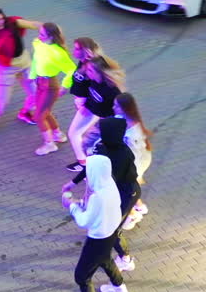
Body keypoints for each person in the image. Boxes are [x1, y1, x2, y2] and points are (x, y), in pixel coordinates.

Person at [62, 154, 128, 292]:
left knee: (82, 276)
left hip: (97, 239)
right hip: (110, 234)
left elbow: (84, 221)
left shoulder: (97, 197)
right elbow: (98, 210)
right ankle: (119, 287)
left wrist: (72, 206)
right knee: (106, 260)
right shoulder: (110, 185)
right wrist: (80, 204)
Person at [70, 117, 140, 270]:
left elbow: (108, 179)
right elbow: (91, 165)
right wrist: (73, 182)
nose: (99, 133)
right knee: (109, 225)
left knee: (113, 229)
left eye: (102, 131)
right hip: (116, 192)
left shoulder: (122, 154)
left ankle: (126, 259)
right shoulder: (102, 146)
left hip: (127, 194)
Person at [64, 39, 126, 172]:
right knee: (81, 138)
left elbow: (118, 112)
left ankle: (89, 167)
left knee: (87, 142)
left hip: (102, 117)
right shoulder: (92, 77)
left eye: (90, 71)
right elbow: (84, 89)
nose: (87, 73)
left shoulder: (111, 90)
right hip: (90, 108)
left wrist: (105, 124)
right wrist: (82, 102)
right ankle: (86, 165)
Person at [0, 7, 40, 136]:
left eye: (1, 18)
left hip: (24, 62)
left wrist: (46, 28)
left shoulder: (12, 22)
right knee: (2, 100)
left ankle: (25, 112)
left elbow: (31, 24)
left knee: (35, 92)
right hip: (6, 69)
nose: (1, 22)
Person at [28, 22, 76, 155]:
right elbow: (35, 60)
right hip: (40, 83)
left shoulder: (58, 53)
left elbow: (72, 70)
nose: (39, 37)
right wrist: (32, 75)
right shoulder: (39, 44)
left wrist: (65, 86)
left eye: (42, 35)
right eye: (39, 33)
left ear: (51, 36)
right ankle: (57, 134)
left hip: (50, 86)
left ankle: (50, 144)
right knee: (44, 112)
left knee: (39, 116)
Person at [114, 92, 153, 229]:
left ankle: (131, 215)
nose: (113, 108)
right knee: (129, 187)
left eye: (116, 106)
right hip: (137, 159)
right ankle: (140, 206)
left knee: (122, 190)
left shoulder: (133, 134)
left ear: (124, 109)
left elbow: (132, 157)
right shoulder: (123, 119)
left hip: (136, 162)